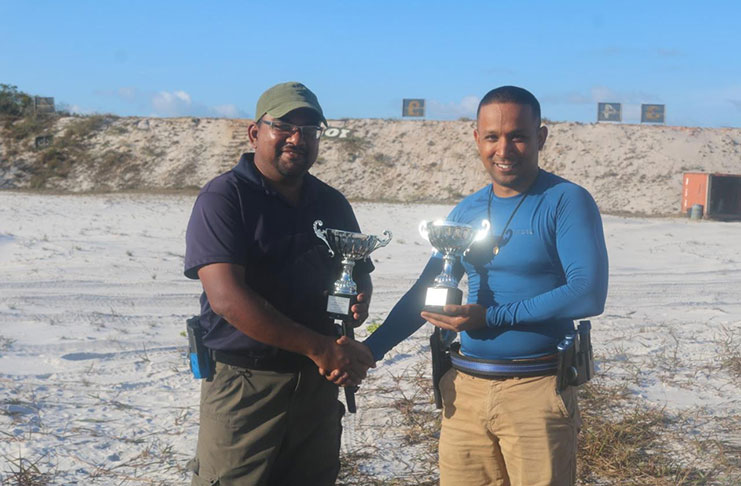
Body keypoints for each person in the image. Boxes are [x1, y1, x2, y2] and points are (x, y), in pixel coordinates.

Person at [360, 86, 609, 485]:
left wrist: (489, 317)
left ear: (540, 138)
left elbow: (588, 292)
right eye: (492, 137)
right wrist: (367, 351)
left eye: (518, 136)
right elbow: (426, 291)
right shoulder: (468, 210)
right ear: (477, 138)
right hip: (465, 391)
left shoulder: (566, 201)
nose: (504, 149)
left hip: (536, 391)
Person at [184, 81, 375, 486]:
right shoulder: (224, 198)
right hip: (245, 388)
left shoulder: (331, 202)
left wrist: (357, 299)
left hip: (317, 386)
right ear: (256, 133)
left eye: (309, 130)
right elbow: (226, 299)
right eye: (285, 126)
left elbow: (358, 274)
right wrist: (321, 347)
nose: (297, 138)